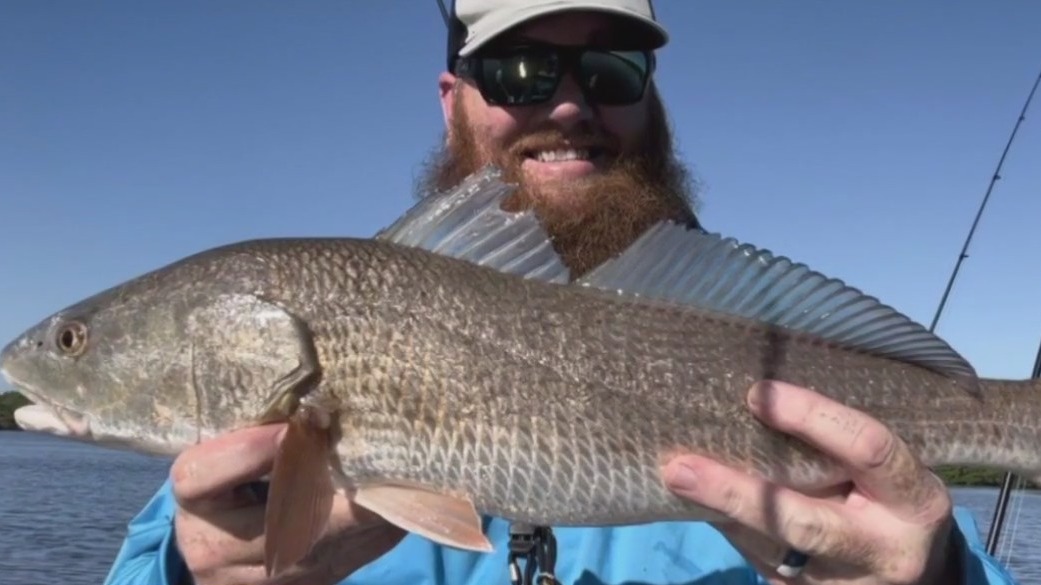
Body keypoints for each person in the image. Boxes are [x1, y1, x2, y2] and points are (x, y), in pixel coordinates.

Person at [102, 1, 1020, 584]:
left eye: (613, 69)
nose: (570, 105)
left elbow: (942, 549)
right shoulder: (239, 474)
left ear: (652, 98)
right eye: (518, 70)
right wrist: (197, 574)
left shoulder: (763, 335)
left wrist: (931, 573)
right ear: (451, 96)